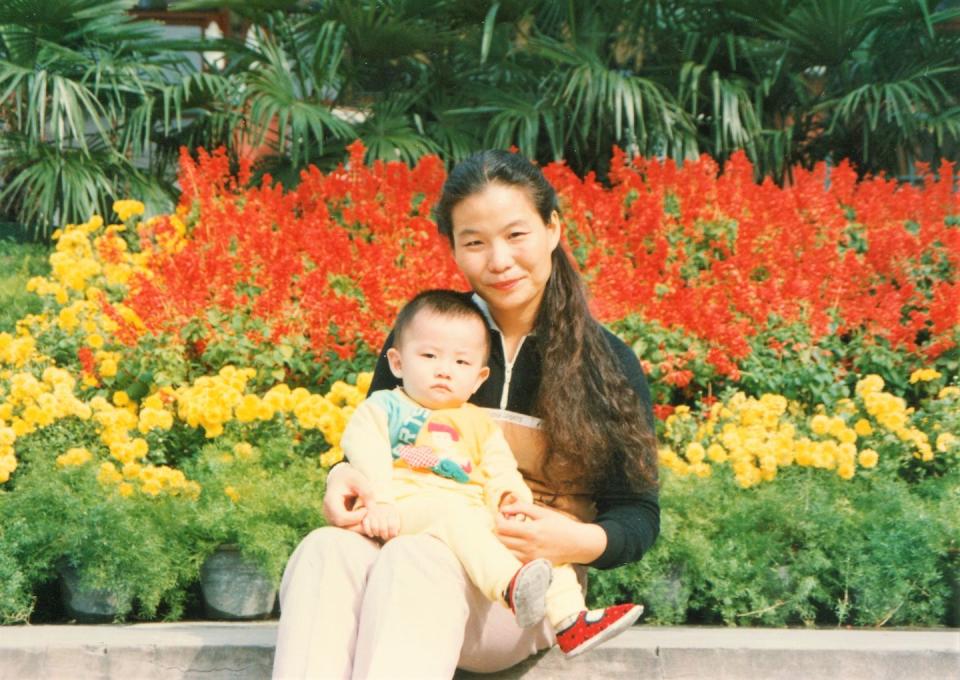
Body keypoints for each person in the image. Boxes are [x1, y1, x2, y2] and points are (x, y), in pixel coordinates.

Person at [272, 149, 660, 680]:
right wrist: (343, 476)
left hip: (521, 586)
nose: (498, 260)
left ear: (553, 229)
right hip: (404, 538)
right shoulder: (430, 337)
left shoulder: (606, 363)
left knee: (417, 560)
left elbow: (637, 513)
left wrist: (576, 540)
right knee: (324, 550)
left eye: (516, 235)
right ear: (454, 248)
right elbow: (378, 442)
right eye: (474, 242)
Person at [339, 288, 643, 657]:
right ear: (397, 363)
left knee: (536, 545)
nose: (443, 370)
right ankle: (510, 586)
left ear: (480, 377)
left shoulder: (478, 422)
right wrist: (380, 500)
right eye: (429, 356)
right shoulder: (386, 406)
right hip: (409, 507)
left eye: (460, 364)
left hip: (470, 513)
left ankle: (570, 618)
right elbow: (363, 453)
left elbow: (500, 469)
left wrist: (511, 499)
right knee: (449, 516)